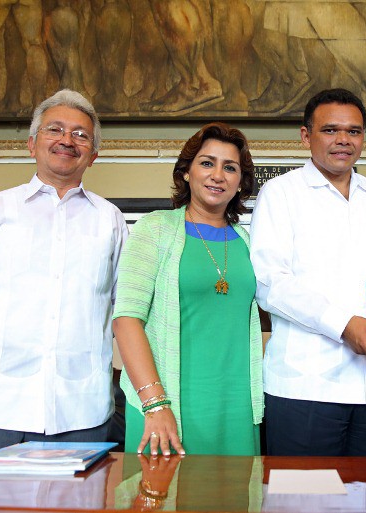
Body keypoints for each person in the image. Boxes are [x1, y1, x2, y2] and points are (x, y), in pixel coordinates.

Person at [0, 89, 128, 447]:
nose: (67, 140)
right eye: (55, 130)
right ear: (32, 144)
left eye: (80, 134)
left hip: (82, 413)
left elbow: (125, 310)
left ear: (93, 155)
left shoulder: (109, 219)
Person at [250, 88, 366, 456]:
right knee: (303, 499)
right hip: (306, 387)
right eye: (330, 130)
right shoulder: (280, 194)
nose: (343, 140)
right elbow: (270, 283)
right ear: (306, 136)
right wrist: (345, 325)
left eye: (354, 131)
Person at [112, 122, 262, 456]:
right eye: (207, 163)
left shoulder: (250, 242)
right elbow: (126, 320)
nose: (217, 175)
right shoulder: (155, 229)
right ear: (186, 173)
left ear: (240, 183)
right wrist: (155, 404)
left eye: (230, 167)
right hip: (167, 406)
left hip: (237, 406)